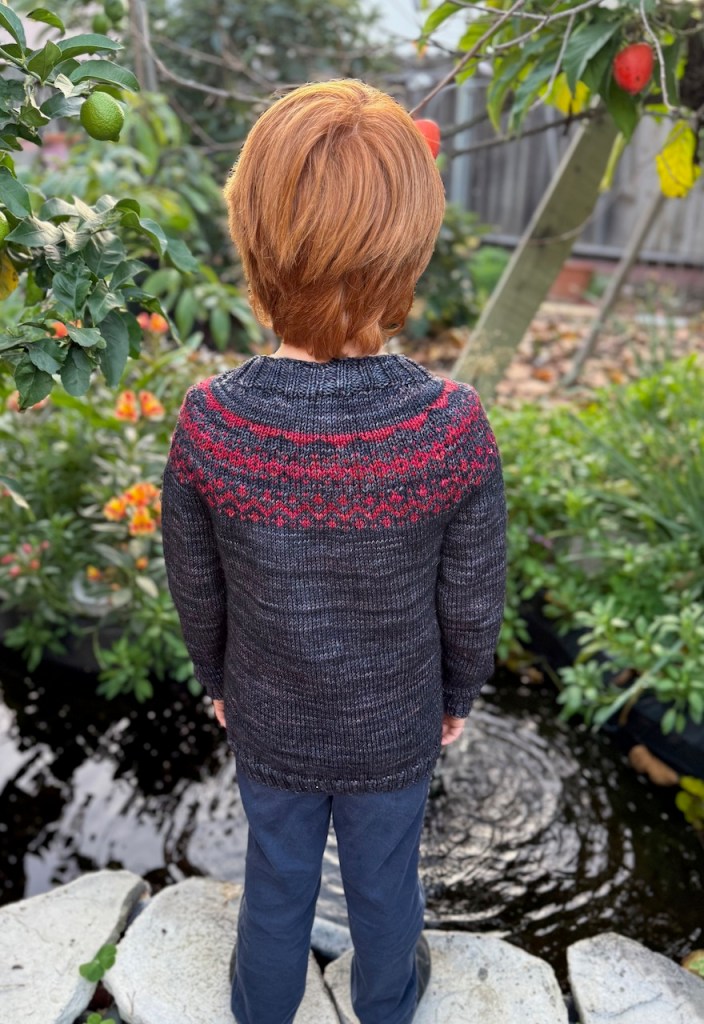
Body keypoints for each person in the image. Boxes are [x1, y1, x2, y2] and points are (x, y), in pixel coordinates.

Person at [161, 79, 507, 1024]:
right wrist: (458, 696)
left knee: (276, 877)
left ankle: (260, 1007)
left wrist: (217, 679)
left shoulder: (212, 423)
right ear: (411, 248)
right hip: (396, 721)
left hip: (268, 715)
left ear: (252, 234)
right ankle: (387, 1004)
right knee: (386, 883)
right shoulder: (448, 427)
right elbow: (473, 595)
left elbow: (195, 582)